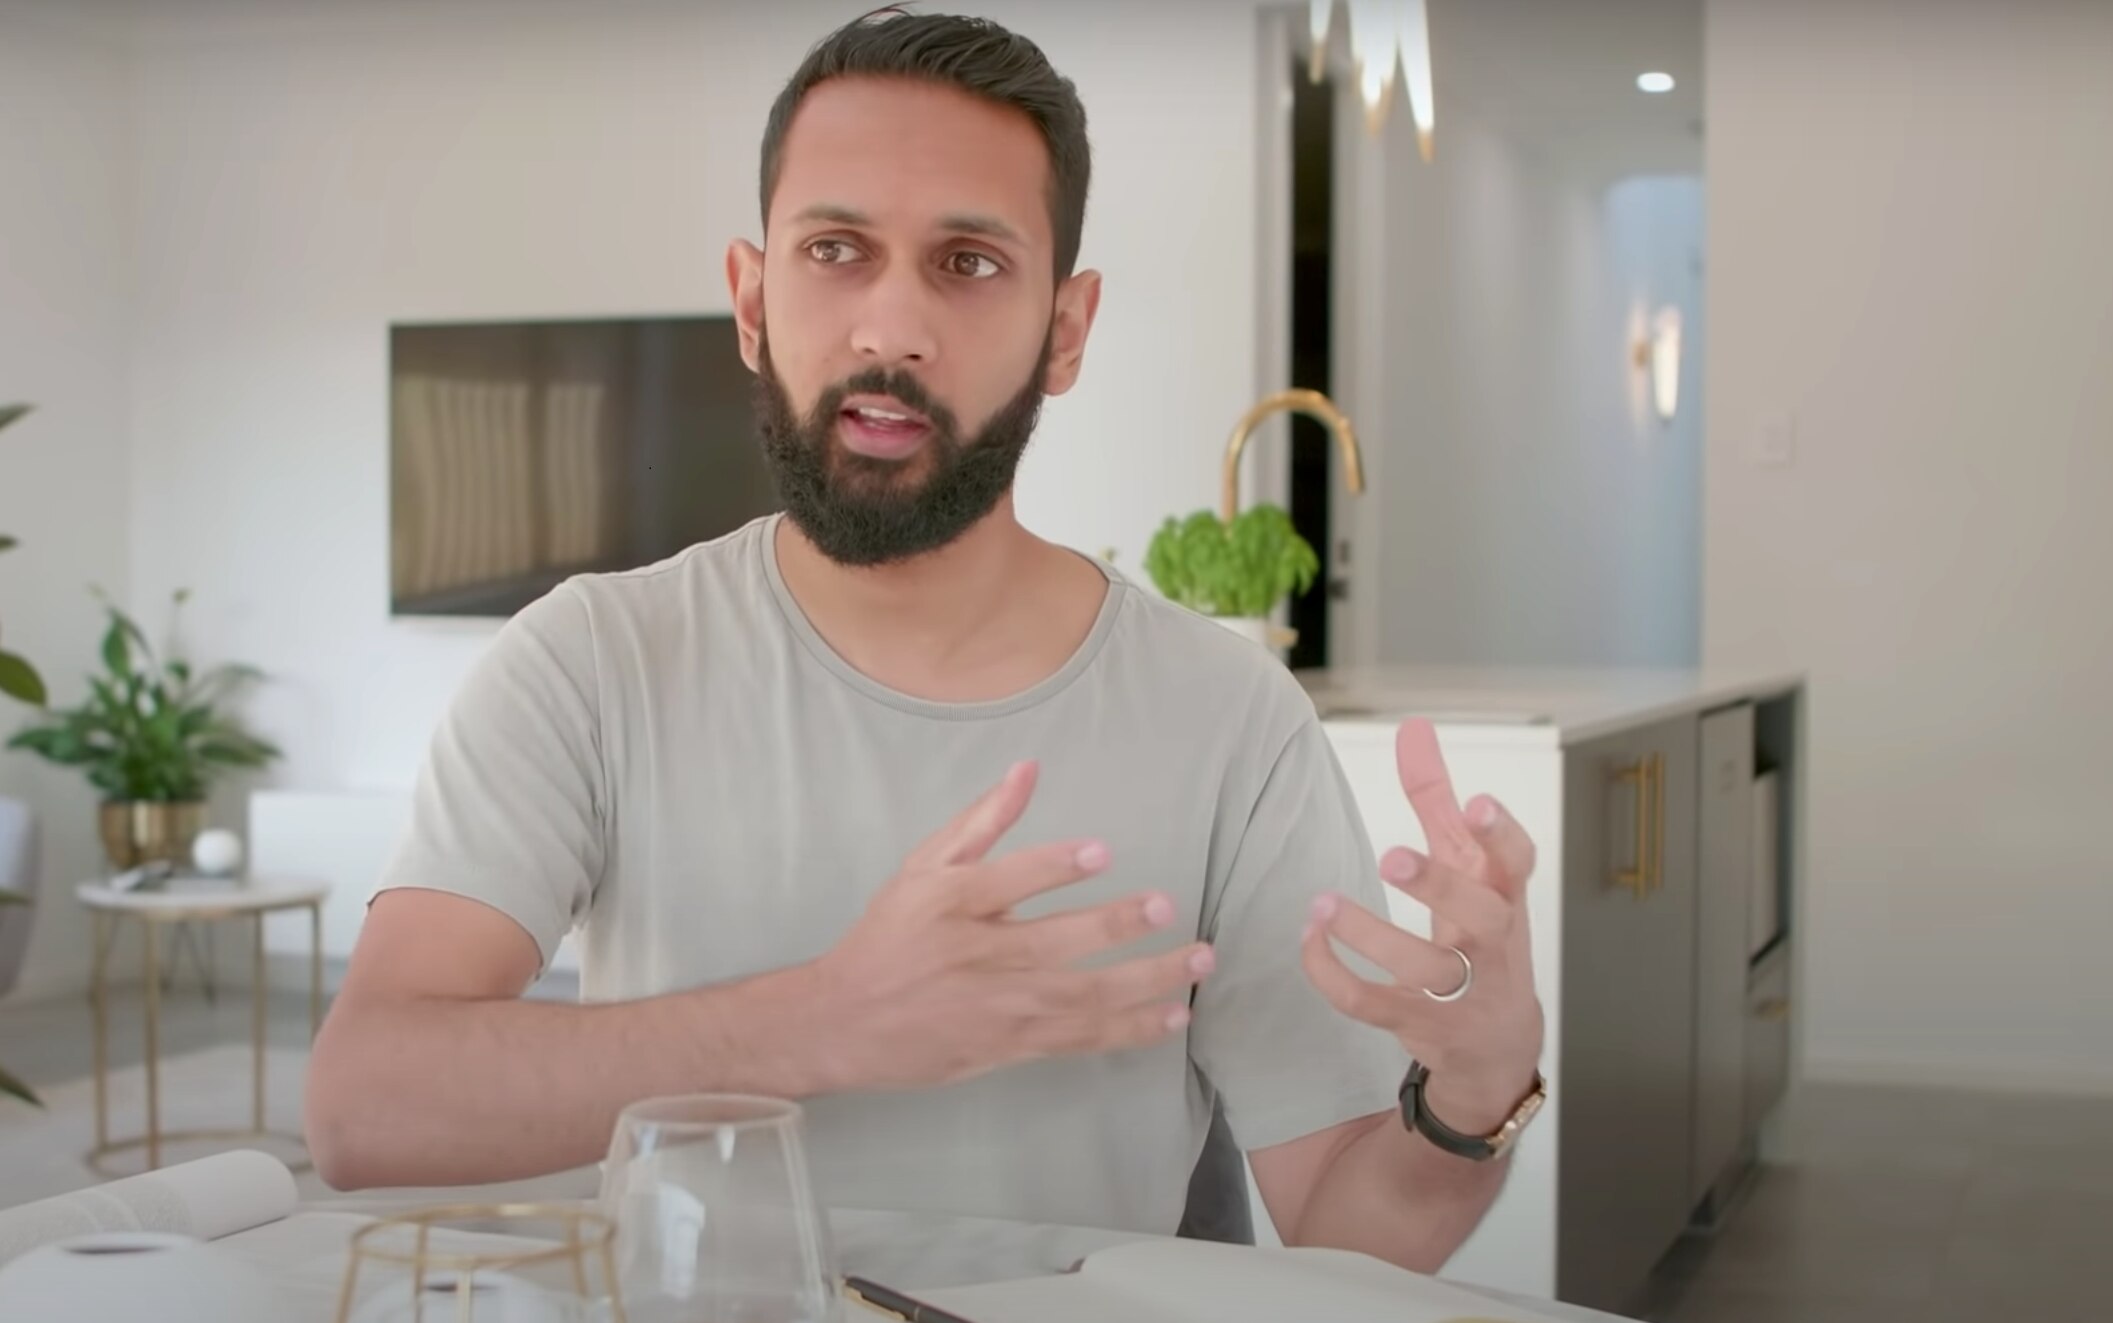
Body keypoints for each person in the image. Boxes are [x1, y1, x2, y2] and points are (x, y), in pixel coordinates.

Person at [304, 7, 1547, 1276]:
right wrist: (825, 1020)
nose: (890, 327)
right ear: (751, 298)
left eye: (968, 261)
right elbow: (365, 1107)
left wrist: (1476, 1095)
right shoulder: (588, 662)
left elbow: (1351, 1231)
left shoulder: (1229, 718)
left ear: (1066, 330)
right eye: (835, 249)